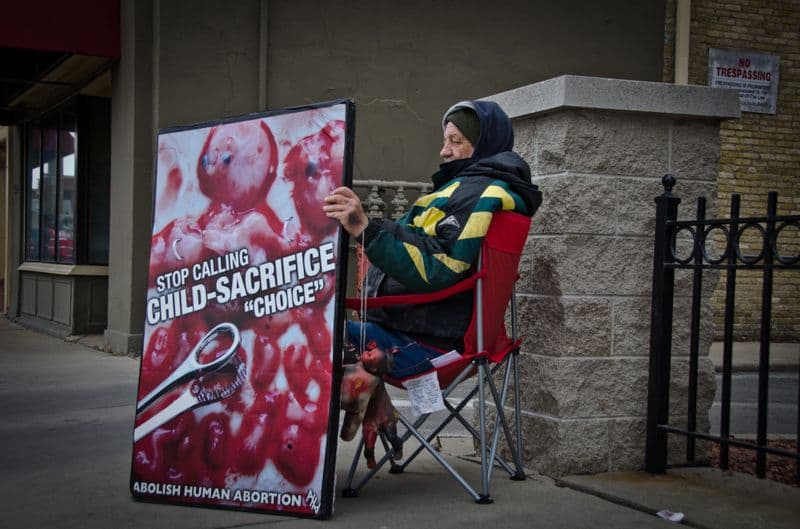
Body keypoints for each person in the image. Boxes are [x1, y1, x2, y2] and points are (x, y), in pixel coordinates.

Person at [323, 100, 541, 458]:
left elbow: (441, 267)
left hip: (431, 347)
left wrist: (367, 230)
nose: (444, 150)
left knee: (316, 331)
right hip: (413, 332)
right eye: (446, 139)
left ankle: (293, 466)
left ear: (483, 143)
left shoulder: (482, 195)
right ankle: (374, 403)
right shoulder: (463, 190)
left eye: (455, 140)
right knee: (319, 326)